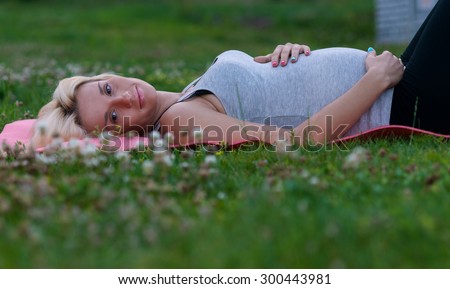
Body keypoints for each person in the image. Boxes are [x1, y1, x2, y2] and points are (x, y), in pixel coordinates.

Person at [31, 0, 449, 149]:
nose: (125, 98)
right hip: (402, 101)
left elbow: (266, 92)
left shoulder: (187, 97)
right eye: (114, 117)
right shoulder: (178, 121)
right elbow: (297, 142)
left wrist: (291, 55)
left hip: (396, 79)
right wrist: (374, 81)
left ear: (108, 72)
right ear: (119, 136)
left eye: (108, 89)